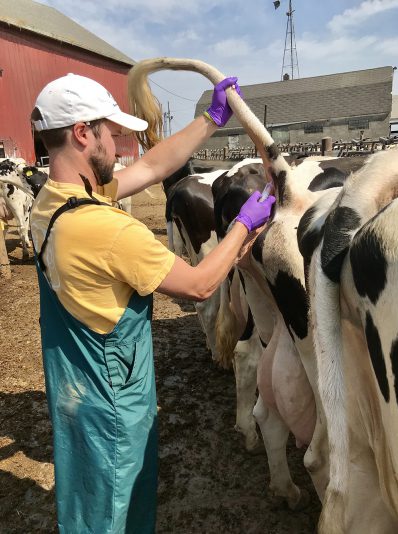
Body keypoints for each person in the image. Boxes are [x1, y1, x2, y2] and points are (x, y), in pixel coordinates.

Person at [29, 73, 275, 533]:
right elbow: (201, 284)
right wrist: (244, 223)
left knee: (87, 504)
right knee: (112, 516)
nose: (119, 147)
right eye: (109, 133)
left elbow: (151, 168)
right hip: (114, 410)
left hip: (75, 398)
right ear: (83, 133)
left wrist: (210, 119)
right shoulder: (106, 229)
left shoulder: (51, 203)